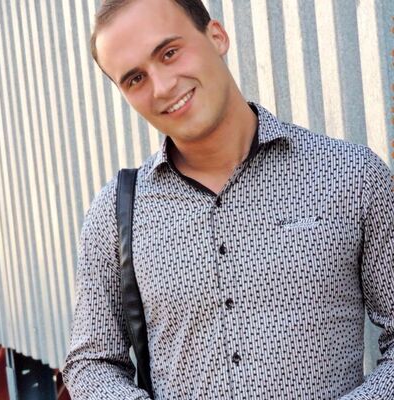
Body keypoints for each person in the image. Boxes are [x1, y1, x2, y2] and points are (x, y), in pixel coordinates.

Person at [62, 0, 394, 398]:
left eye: (169, 53)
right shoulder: (114, 214)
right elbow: (90, 363)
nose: (162, 87)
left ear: (217, 36)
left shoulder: (351, 175)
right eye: (135, 79)